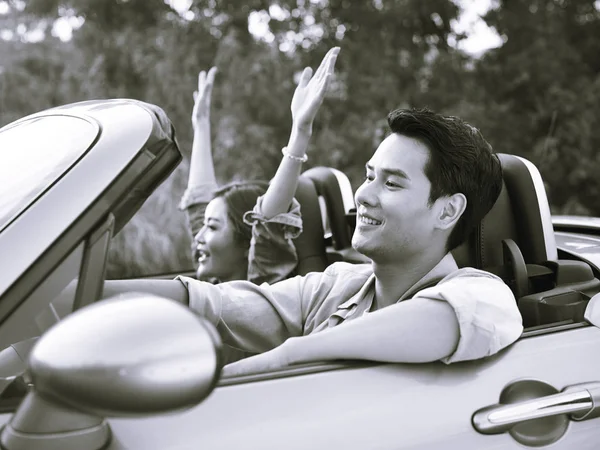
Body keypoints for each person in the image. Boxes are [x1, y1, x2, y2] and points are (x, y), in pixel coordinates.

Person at [96, 105, 523, 377]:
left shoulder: (482, 294)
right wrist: (78, 292)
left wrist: (287, 357)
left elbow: (449, 319)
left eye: (392, 184)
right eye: (369, 176)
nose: (364, 194)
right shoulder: (335, 285)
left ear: (447, 211)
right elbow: (210, 302)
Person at [179, 47, 340, 284]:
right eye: (205, 226)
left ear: (248, 244)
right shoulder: (214, 283)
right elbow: (198, 202)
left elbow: (268, 223)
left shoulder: (260, 287)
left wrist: (300, 131)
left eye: (212, 227)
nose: (198, 237)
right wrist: (201, 124)